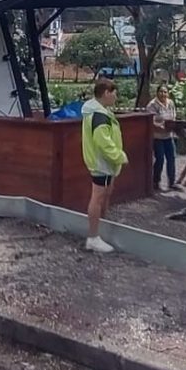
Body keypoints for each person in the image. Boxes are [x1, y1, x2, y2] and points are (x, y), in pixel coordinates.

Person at [81, 78, 128, 253]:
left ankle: (101, 227)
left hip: (104, 163)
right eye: (114, 92)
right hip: (102, 163)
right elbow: (103, 141)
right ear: (106, 93)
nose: (116, 96)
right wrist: (119, 156)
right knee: (97, 197)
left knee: (105, 194)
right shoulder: (99, 115)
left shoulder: (98, 111)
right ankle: (93, 237)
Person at [146, 85, 177, 190]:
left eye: (165, 92)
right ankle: (156, 181)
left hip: (169, 135)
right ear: (157, 92)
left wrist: (172, 125)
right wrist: (161, 126)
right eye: (161, 92)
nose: (163, 94)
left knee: (171, 158)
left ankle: (172, 182)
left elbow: (173, 116)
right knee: (160, 159)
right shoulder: (152, 105)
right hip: (158, 136)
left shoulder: (170, 103)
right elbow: (151, 121)